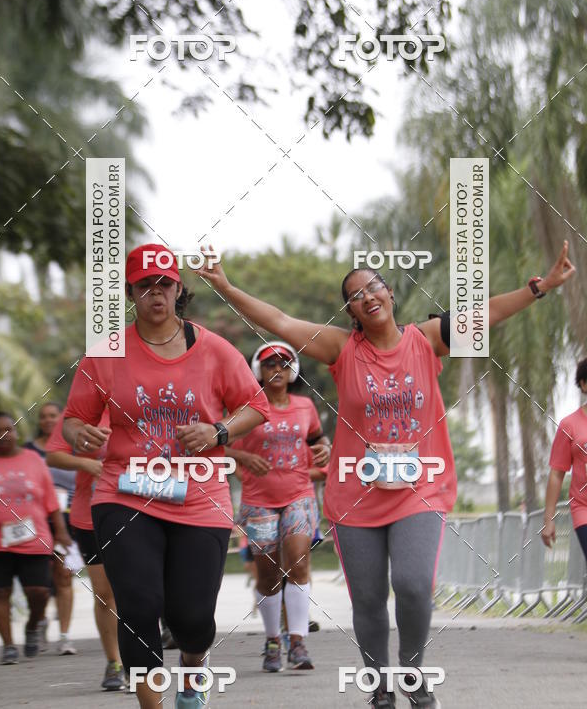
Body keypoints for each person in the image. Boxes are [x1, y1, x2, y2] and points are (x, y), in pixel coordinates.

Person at [197, 241, 575, 708]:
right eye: (355, 295)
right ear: (351, 311)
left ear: (390, 293)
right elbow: (279, 320)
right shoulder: (341, 348)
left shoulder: (426, 339)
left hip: (420, 487)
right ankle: (379, 685)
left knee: (414, 586)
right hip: (356, 493)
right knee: (369, 599)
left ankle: (413, 673)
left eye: (373, 287)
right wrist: (226, 286)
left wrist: (540, 286)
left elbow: (486, 315)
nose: (367, 296)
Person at [61, 243, 269, 709]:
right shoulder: (107, 353)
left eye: (164, 285)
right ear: (130, 292)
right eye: (145, 286)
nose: (155, 294)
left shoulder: (214, 349)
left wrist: (218, 431)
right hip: (125, 493)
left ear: (178, 290)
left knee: (191, 618)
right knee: (137, 607)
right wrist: (80, 435)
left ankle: (194, 671)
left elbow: (255, 406)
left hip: (200, 498)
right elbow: (74, 419)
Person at [226, 341, 330, 673]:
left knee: (298, 562)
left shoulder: (305, 406)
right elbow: (216, 444)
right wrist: (243, 457)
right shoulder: (247, 409)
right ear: (258, 371)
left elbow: (317, 439)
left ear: (293, 370)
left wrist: (325, 448)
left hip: (299, 494)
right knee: (268, 574)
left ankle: (297, 642)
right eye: (270, 364)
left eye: (284, 364)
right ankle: (273, 640)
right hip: (259, 501)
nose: (277, 370)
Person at [46, 409, 126, 690]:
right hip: (90, 516)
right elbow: (53, 455)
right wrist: (87, 464)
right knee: (105, 594)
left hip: (139, 512)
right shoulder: (82, 412)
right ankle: (114, 662)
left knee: (138, 591)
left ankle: (141, 660)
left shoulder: (142, 401)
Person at [0, 411, 72, 664]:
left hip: (34, 538)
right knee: (0, 592)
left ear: (16, 432)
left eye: (8, 429)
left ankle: (33, 625)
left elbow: (51, 501)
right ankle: (9, 645)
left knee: (40, 592)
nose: (3, 435)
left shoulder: (33, 459)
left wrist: (61, 532)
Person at [25, 401, 77, 655]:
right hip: (37, 520)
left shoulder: (75, 448)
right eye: (43, 416)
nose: (48, 420)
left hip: (67, 518)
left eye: (53, 415)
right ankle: (40, 619)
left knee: (64, 574)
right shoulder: (29, 451)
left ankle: (64, 636)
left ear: (61, 419)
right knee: (39, 579)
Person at [542, 357, 587, 562]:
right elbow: (556, 474)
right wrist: (548, 519)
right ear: (583, 384)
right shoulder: (569, 425)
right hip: (583, 508)